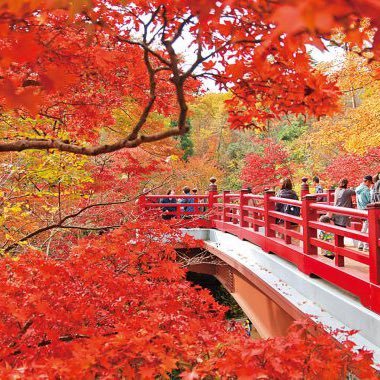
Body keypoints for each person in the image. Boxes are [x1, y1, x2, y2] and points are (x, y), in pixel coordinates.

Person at [356, 175, 373, 251]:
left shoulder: (358, 189)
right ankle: (366, 246)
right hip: (366, 209)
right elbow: (370, 200)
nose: (370, 185)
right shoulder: (366, 190)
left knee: (364, 227)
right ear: (367, 181)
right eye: (370, 183)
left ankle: (360, 244)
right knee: (368, 228)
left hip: (360, 210)